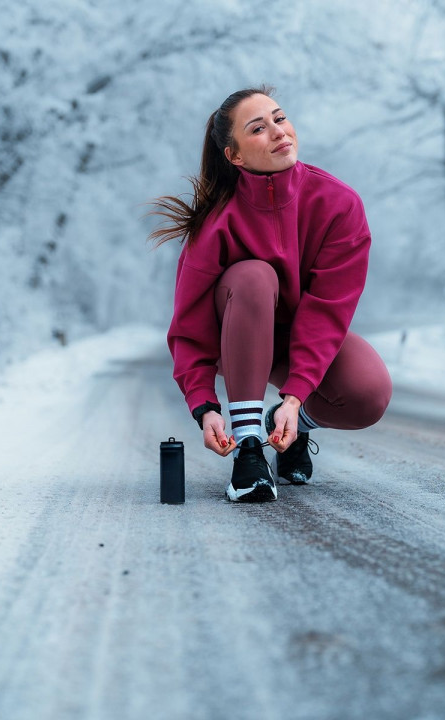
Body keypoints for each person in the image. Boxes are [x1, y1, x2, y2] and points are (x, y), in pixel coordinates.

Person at [150, 86, 393, 503]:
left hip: (299, 339)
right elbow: (189, 326)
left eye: (280, 119)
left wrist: (295, 399)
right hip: (238, 340)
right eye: (258, 129)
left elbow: (327, 312)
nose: (279, 132)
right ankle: (248, 449)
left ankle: (285, 428)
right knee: (253, 276)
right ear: (236, 156)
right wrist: (204, 405)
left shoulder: (339, 205)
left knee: (367, 393)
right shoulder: (217, 222)